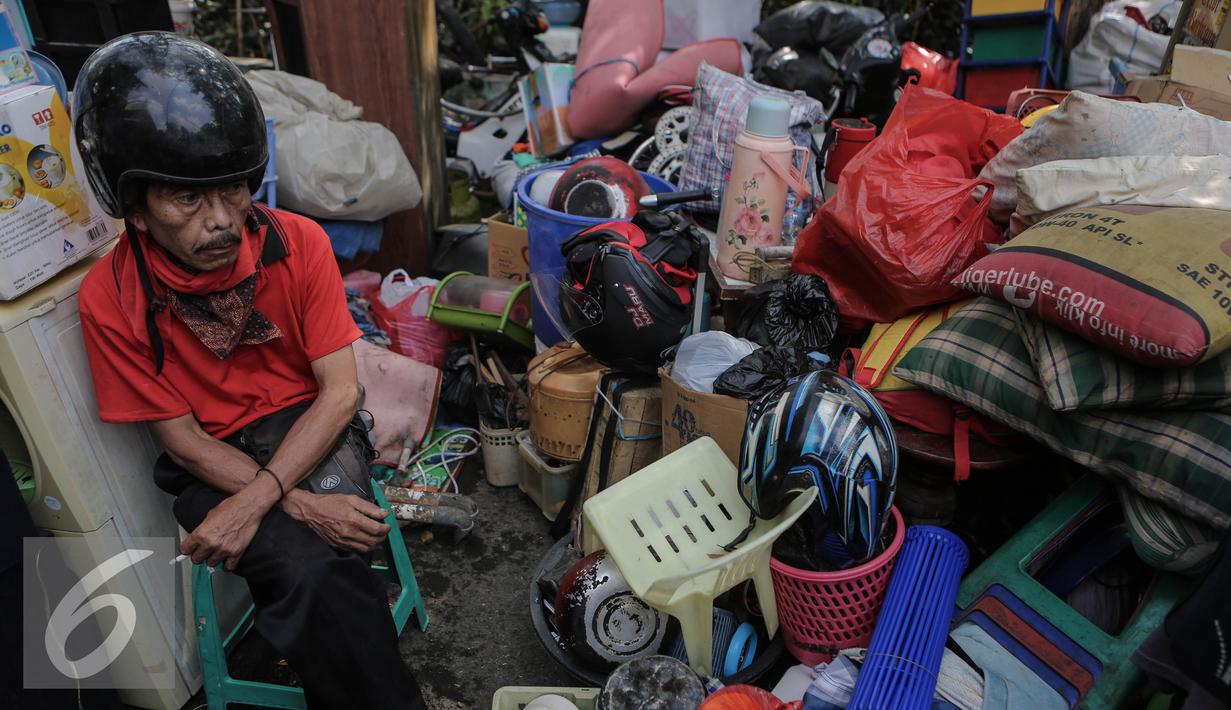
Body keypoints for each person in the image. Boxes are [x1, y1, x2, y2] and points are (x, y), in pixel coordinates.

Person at [73, 32, 426, 709]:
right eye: (184, 201)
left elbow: (340, 391)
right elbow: (181, 441)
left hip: (313, 424)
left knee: (315, 567)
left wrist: (263, 501)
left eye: (232, 190)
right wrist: (295, 502)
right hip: (212, 458)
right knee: (308, 563)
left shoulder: (299, 244)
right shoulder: (109, 297)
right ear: (135, 209)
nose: (220, 222)